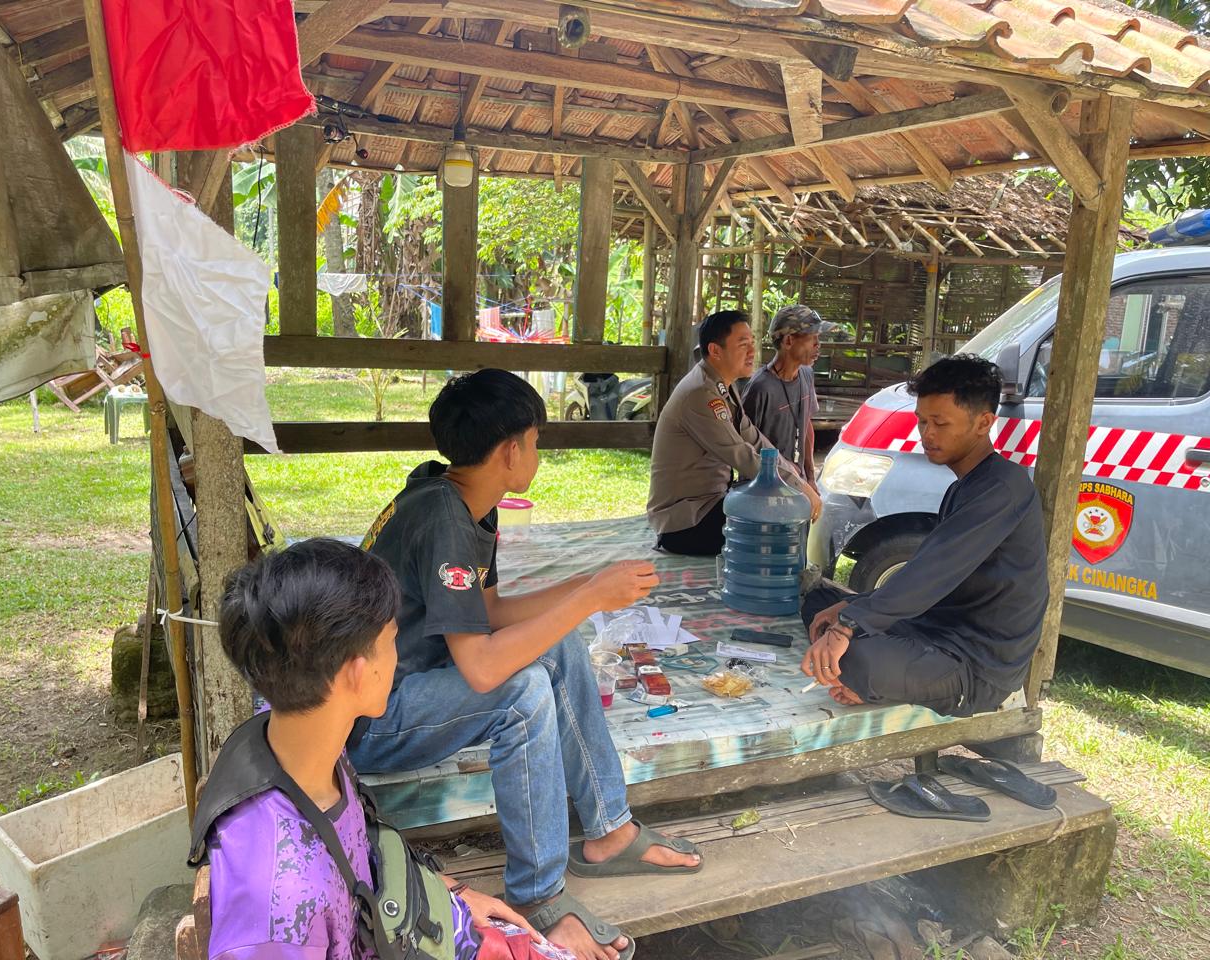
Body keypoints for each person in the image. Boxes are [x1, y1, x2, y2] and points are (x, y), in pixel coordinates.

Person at [354, 369, 702, 960]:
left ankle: (610, 831)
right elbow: (483, 670)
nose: (538, 454)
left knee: (559, 644)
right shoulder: (443, 520)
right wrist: (588, 599)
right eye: (536, 442)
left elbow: (488, 612)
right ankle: (539, 894)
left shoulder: (460, 499)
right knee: (524, 693)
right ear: (511, 451)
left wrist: (586, 588)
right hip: (374, 718)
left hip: (410, 682)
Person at [191, 538, 574, 960]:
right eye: (393, 639)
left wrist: (452, 895)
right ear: (357, 673)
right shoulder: (281, 909)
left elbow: (362, 857)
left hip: (412, 917)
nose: (397, 655)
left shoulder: (303, 733)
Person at [801, 355, 1049, 717]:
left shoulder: (1003, 488)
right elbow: (923, 577)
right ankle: (863, 674)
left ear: (984, 423)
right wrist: (847, 610)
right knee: (819, 602)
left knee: (856, 656)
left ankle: (866, 679)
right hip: (931, 628)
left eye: (940, 423)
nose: (927, 433)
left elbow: (931, 573)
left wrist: (848, 626)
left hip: (974, 664)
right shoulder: (963, 487)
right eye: (922, 421)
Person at [648, 309, 821, 556]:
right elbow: (741, 455)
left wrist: (795, 476)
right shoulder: (700, 394)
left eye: (752, 343)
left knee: (784, 513)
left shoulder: (721, 385)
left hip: (711, 505)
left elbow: (753, 437)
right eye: (743, 345)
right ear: (715, 351)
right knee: (779, 525)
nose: (752, 352)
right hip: (686, 521)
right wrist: (800, 488)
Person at [742, 304, 836, 493]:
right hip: (764, 489)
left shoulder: (806, 374)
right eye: (812, 338)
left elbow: (806, 425)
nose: (818, 345)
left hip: (797, 483)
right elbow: (744, 447)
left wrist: (810, 477)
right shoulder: (760, 388)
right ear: (788, 341)